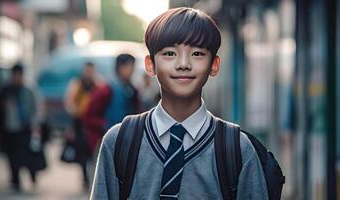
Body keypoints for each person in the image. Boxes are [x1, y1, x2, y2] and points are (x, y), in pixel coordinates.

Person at [90, 7, 268, 199]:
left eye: (197, 54)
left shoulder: (238, 149)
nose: (183, 64)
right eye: (170, 54)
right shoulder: (119, 141)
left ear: (214, 65)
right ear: (150, 65)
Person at [83, 54, 141, 155]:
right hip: (107, 141)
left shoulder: (132, 89)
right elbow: (88, 116)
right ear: (121, 67)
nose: (133, 71)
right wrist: (106, 125)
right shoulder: (106, 90)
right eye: (130, 67)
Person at [0, 63, 40, 191]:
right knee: (11, 156)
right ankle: (15, 179)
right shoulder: (6, 91)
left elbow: (35, 109)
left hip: (24, 129)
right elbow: (0, 111)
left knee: (24, 155)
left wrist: (35, 125)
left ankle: (32, 174)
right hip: (8, 129)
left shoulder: (28, 90)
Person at [64, 61, 98, 190]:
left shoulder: (97, 84)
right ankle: (85, 178)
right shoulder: (77, 84)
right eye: (87, 70)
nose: (89, 73)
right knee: (82, 151)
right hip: (79, 122)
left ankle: (90, 177)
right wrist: (78, 111)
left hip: (91, 123)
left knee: (91, 151)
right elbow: (69, 102)